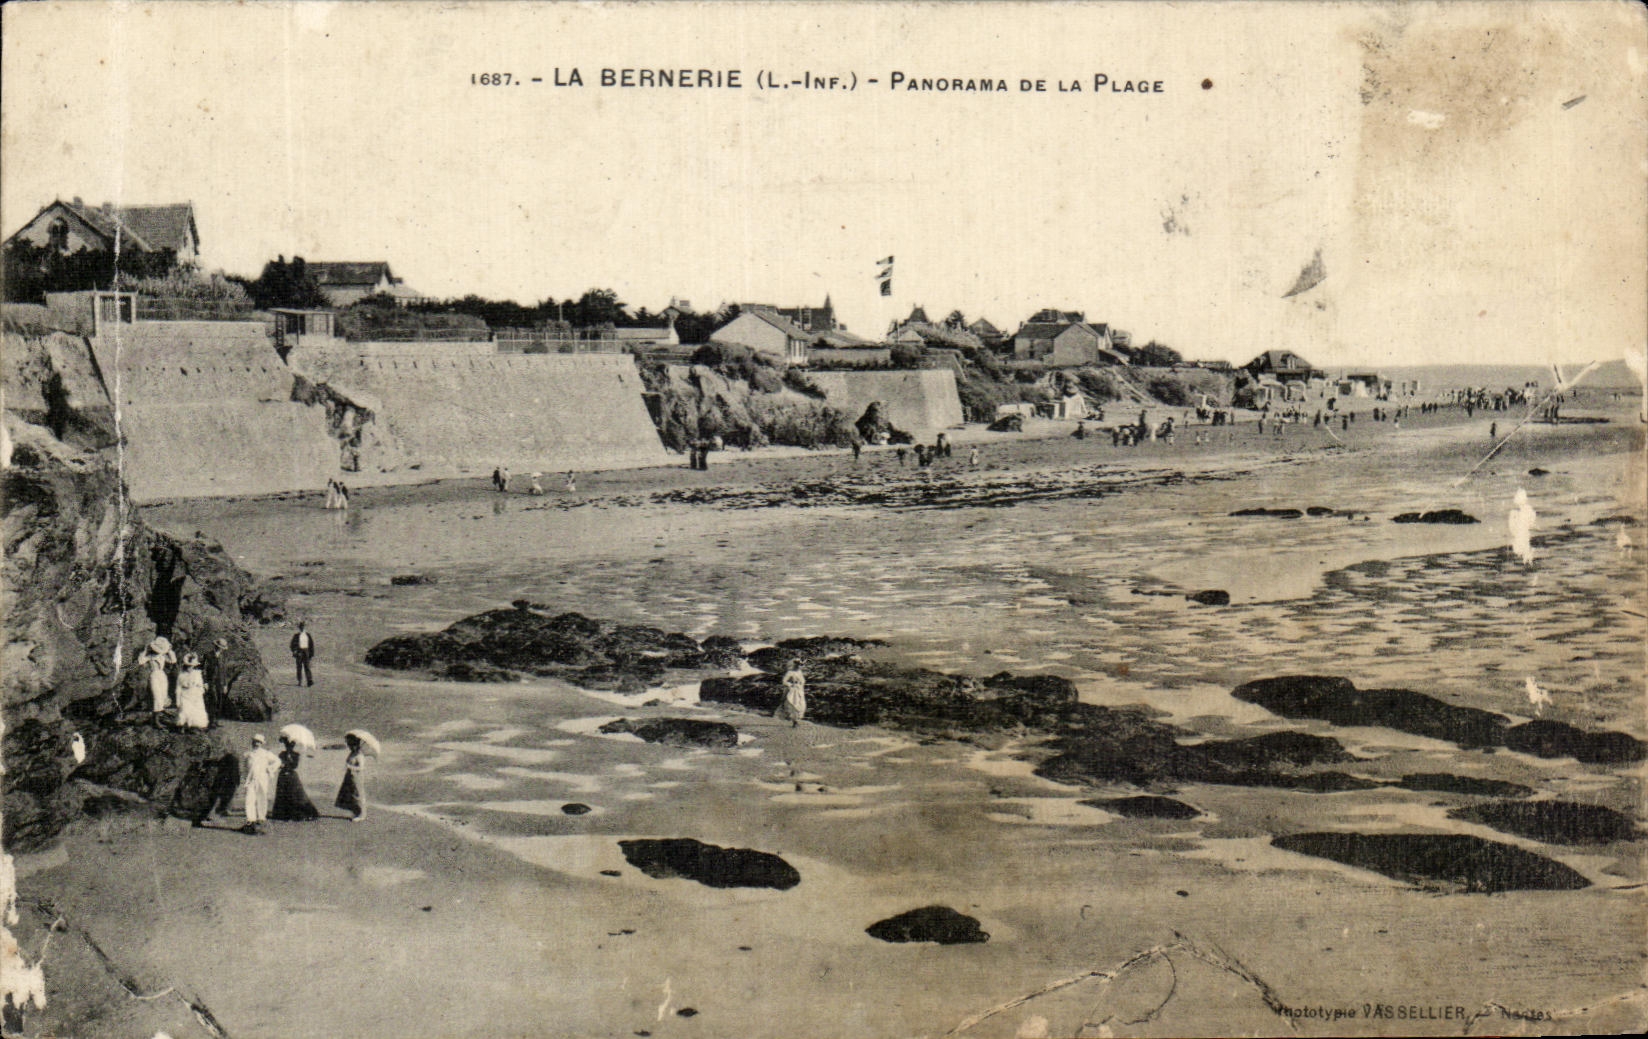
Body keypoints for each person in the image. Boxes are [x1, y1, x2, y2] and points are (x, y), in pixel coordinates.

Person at [270, 736, 319, 821]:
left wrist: (289, 761)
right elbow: (277, 763)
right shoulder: (282, 754)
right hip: (283, 775)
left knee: (296, 794)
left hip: (291, 775)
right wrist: (280, 765)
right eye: (287, 745)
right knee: (282, 794)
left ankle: (297, 813)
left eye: (290, 745)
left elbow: (295, 765)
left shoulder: (296, 754)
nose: (288, 747)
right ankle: (284, 814)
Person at [239, 734, 281, 835]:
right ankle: (251, 819)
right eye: (255, 741)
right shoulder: (248, 754)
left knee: (262, 798)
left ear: (262, 744)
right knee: (250, 799)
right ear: (252, 742)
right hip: (251, 780)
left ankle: (261, 817)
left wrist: (270, 769)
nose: (256, 744)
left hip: (262, 779)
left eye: (259, 742)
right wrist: (244, 778)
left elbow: (278, 761)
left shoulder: (266, 754)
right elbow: (244, 768)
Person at [137, 636, 176, 720]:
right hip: (154, 676)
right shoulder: (150, 656)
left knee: (163, 694)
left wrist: (169, 651)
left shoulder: (163, 656)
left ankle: (161, 712)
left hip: (162, 676)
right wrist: (145, 651)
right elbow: (140, 661)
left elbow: (173, 660)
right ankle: (156, 719)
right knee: (156, 695)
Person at [336, 734, 368, 821]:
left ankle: (362, 815)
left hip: (357, 777)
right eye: (349, 745)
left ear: (356, 745)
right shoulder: (352, 753)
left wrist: (350, 767)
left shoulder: (360, 756)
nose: (350, 747)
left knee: (358, 794)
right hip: (350, 776)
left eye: (352, 745)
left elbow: (361, 768)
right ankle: (356, 812)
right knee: (351, 794)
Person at [174, 652, 210, 730]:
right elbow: (178, 688)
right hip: (185, 694)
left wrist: (200, 691)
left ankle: (194, 726)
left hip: (195, 694)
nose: (190, 668)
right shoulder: (181, 675)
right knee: (185, 710)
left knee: (196, 710)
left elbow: (200, 685)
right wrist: (178, 699)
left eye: (191, 666)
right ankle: (183, 726)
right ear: (185, 666)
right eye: (188, 666)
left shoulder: (197, 674)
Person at [204, 636, 231, 721]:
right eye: (220, 647)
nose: (221, 649)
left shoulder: (223, 658)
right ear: (216, 646)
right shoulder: (208, 655)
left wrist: (225, 685)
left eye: (222, 648)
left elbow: (224, 672)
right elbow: (204, 669)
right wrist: (205, 682)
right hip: (211, 680)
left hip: (221, 682)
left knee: (219, 700)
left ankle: (216, 719)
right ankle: (211, 719)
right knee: (213, 699)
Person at [1508, 488, 1537, 564]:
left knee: (1523, 547)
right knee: (1524, 547)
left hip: (1521, 533)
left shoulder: (1516, 512)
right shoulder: (1526, 510)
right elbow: (1531, 521)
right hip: (1522, 533)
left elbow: (1512, 527)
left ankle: (1526, 561)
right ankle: (1527, 561)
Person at [290, 621, 316, 688]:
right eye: (301, 627)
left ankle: (309, 681)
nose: (302, 628)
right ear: (299, 628)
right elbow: (292, 645)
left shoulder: (308, 635)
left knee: (307, 666)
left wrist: (311, 654)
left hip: (306, 652)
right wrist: (294, 651)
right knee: (299, 667)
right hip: (299, 652)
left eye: (303, 627)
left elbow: (311, 645)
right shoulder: (296, 636)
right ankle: (300, 681)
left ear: (305, 627)